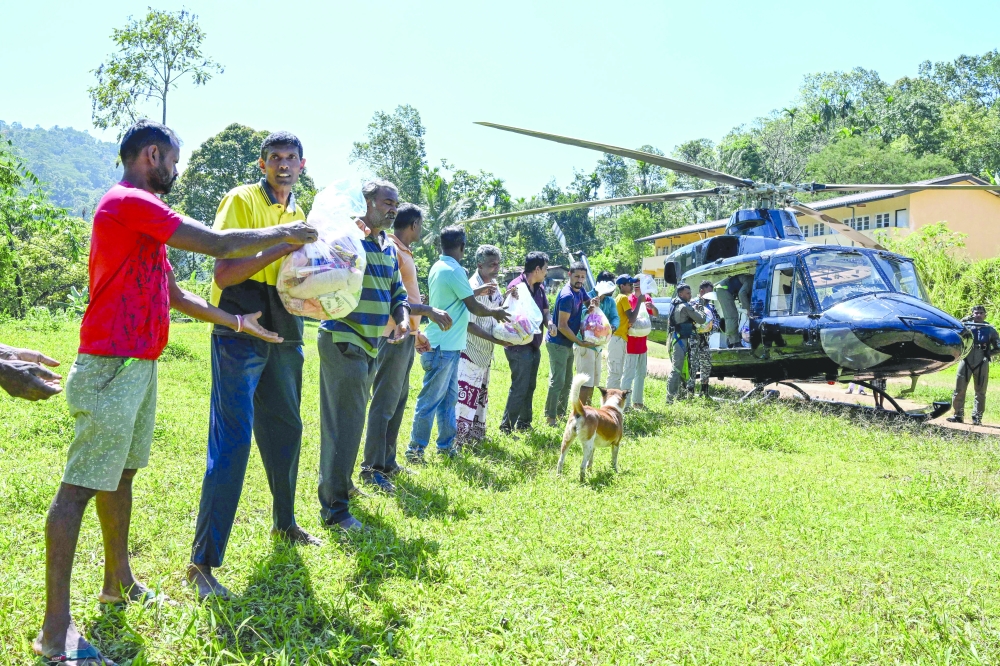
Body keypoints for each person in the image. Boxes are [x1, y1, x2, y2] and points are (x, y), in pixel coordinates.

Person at [35, 119, 317, 665]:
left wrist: (240, 326)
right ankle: (54, 632)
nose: (176, 169)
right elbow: (215, 244)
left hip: (139, 363)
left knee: (121, 474)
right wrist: (286, 235)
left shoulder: (141, 220)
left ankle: (118, 581)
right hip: (111, 362)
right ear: (151, 155)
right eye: (172, 159)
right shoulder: (128, 202)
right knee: (77, 490)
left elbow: (175, 293)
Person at [187, 132, 333, 600]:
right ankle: (203, 563)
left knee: (287, 427)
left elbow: (301, 269)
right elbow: (225, 272)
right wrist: (283, 241)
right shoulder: (242, 199)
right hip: (240, 320)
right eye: (275, 158)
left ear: (303, 165)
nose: (283, 165)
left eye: (291, 158)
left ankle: (285, 522)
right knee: (232, 439)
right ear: (262, 163)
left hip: (285, 321)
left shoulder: (301, 210)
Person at [316, 180, 413, 531]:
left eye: (395, 204)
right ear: (367, 202)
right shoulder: (348, 236)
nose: (392, 209)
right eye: (386, 202)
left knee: (350, 424)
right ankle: (335, 511)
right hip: (344, 340)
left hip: (372, 345)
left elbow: (397, 294)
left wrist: (402, 320)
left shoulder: (387, 246)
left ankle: (340, 487)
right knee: (344, 426)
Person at [361, 204, 451, 494]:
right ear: (413, 225)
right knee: (384, 402)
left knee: (398, 400)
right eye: (421, 225)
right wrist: (427, 310)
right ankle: (371, 468)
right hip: (390, 337)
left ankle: (387, 462)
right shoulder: (392, 250)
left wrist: (416, 331)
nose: (422, 230)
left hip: (404, 336)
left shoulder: (403, 250)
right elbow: (392, 299)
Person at [406, 227, 510, 461]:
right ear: (462, 246)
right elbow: (473, 306)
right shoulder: (454, 271)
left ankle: (445, 446)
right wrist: (495, 313)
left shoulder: (440, 266)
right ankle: (415, 450)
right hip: (442, 348)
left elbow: (455, 299)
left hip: (450, 347)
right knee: (429, 401)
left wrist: (478, 291)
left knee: (449, 400)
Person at [455, 245, 509, 448]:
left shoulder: (494, 286)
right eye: (492, 264)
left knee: (479, 396)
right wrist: (495, 339)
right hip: (470, 350)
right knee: (465, 398)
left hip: (486, 352)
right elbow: (468, 324)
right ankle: (458, 439)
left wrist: (510, 296)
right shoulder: (471, 287)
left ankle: (474, 437)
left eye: (498, 264)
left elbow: (499, 311)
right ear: (480, 265)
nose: (496, 268)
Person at [500, 252, 550, 433]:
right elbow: (509, 316)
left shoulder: (540, 288)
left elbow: (545, 312)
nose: (546, 273)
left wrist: (550, 322)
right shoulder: (516, 288)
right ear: (537, 269)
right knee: (520, 386)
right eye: (544, 269)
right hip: (518, 346)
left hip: (534, 344)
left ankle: (524, 423)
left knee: (530, 385)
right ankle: (506, 427)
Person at [545, 262, 595, 427]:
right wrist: (579, 341)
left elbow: (589, 302)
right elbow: (562, 325)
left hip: (569, 342)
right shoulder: (567, 295)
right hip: (558, 342)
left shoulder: (580, 290)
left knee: (567, 382)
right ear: (569, 275)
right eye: (577, 276)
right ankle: (550, 418)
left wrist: (592, 307)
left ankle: (560, 415)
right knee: (558, 381)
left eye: (582, 277)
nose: (580, 280)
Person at [573, 271, 619, 407]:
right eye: (611, 284)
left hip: (598, 346)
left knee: (594, 381)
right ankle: (579, 411)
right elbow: (579, 317)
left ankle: (587, 409)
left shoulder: (610, 301)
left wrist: (613, 326)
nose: (613, 288)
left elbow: (615, 317)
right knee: (584, 381)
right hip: (585, 344)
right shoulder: (587, 296)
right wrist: (590, 308)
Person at [948, 305, 999, 425]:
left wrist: (988, 354)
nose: (978, 315)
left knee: (980, 392)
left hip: (982, 362)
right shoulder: (966, 327)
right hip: (965, 360)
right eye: (976, 313)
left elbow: (998, 347)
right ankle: (958, 415)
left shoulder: (989, 329)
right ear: (972, 314)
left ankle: (977, 418)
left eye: (981, 313)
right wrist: (965, 319)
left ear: (985, 315)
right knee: (959, 389)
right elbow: (954, 330)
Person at [622, 278, 659, 409]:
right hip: (630, 344)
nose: (637, 286)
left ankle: (638, 402)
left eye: (639, 284)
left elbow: (655, 314)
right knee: (628, 374)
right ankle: (625, 404)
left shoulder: (647, 298)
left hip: (643, 345)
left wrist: (653, 307)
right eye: (635, 284)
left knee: (641, 374)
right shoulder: (628, 299)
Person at [666, 283, 706, 401]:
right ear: (680, 294)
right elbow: (701, 319)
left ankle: (679, 396)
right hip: (680, 340)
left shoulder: (675, 303)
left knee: (682, 368)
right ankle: (670, 398)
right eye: (688, 293)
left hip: (676, 338)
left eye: (690, 293)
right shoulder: (684, 306)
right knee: (677, 368)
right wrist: (701, 308)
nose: (690, 295)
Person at [607, 275, 645, 391]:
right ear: (622, 286)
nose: (632, 286)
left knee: (616, 372)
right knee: (615, 373)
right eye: (629, 284)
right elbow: (632, 318)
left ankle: (614, 401)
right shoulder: (623, 298)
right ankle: (610, 402)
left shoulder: (619, 298)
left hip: (620, 338)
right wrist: (639, 301)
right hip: (617, 339)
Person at [688, 280, 718, 398]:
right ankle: (690, 391)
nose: (711, 295)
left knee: (706, 364)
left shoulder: (711, 307)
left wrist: (711, 328)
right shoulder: (692, 304)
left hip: (704, 340)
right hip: (693, 339)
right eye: (708, 292)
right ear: (701, 291)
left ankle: (704, 392)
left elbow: (717, 321)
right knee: (693, 364)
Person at [716, 273, 751, 348]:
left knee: (732, 316)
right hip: (723, 290)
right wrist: (748, 309)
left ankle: (731, 341)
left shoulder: (752, 279)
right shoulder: (751, 280)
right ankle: (735, 342)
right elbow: (742, 294)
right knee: (732, 316)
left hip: (725, 289)